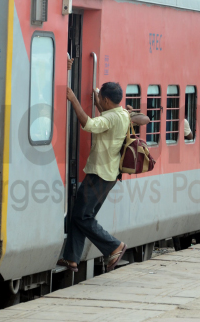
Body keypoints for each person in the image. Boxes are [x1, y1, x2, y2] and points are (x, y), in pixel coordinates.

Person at [58, 82, 130, 273]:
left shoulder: (111, 118)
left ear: (106, 100)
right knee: (81, 215)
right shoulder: (122, 114)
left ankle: (114, 246)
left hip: (99, 174)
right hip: (109, 174)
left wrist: (73, 99)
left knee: (82, 216)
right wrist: (97, 99)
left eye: (100, 99)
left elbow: (88, 124)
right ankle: (71, 258)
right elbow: (106, 115)